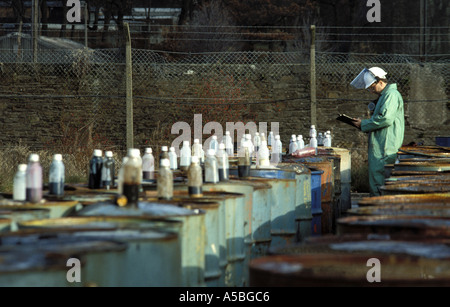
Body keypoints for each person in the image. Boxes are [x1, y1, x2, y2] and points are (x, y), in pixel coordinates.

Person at [350, 67, 405, 196]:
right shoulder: (385, 96)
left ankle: (379, 211)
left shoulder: (391, 95)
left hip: (385, 148)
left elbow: (385, 119)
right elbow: (380, 118)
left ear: (381, 82)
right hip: (381, 146)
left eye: (372, 87)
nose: (371, 91)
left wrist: (363, 123)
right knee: (378, 181)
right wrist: (363, 123)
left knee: (380, 183)